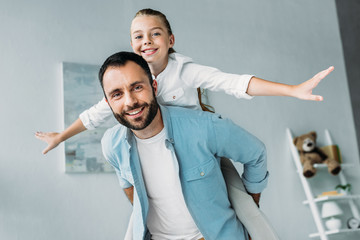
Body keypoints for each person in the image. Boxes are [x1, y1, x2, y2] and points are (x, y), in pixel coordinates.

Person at [35, 8, 332, 239]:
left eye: (155, 34)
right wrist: (61, 137)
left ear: (170, 40)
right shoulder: (119, 120)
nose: (147, 41)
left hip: (205, 146)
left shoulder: (185, 71)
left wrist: (291, 90)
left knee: (242, 206)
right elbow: (94, 115)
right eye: (138, 37)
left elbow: (234, 83)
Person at [100, 51, 269, 240]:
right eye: (117, 94)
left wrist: (250, 209)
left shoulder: (204, 126)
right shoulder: (112, 144)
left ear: (154, 86)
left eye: (137, 87)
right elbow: (129, 187)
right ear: (108, 103)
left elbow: (256, 153)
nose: (130, 101)